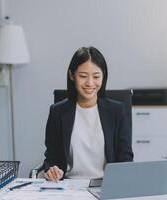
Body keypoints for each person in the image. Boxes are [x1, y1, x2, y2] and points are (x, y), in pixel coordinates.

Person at [43, 46, 133, 182]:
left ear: (103, 76)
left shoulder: (116, 111)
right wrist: (52, 170)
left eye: (96, 76)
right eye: (83, 76)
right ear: (72, 75)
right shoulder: (57, 112)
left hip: (106, 186)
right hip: (68, 187)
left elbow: (126, 158)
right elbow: (51, 158)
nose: (90, 83)